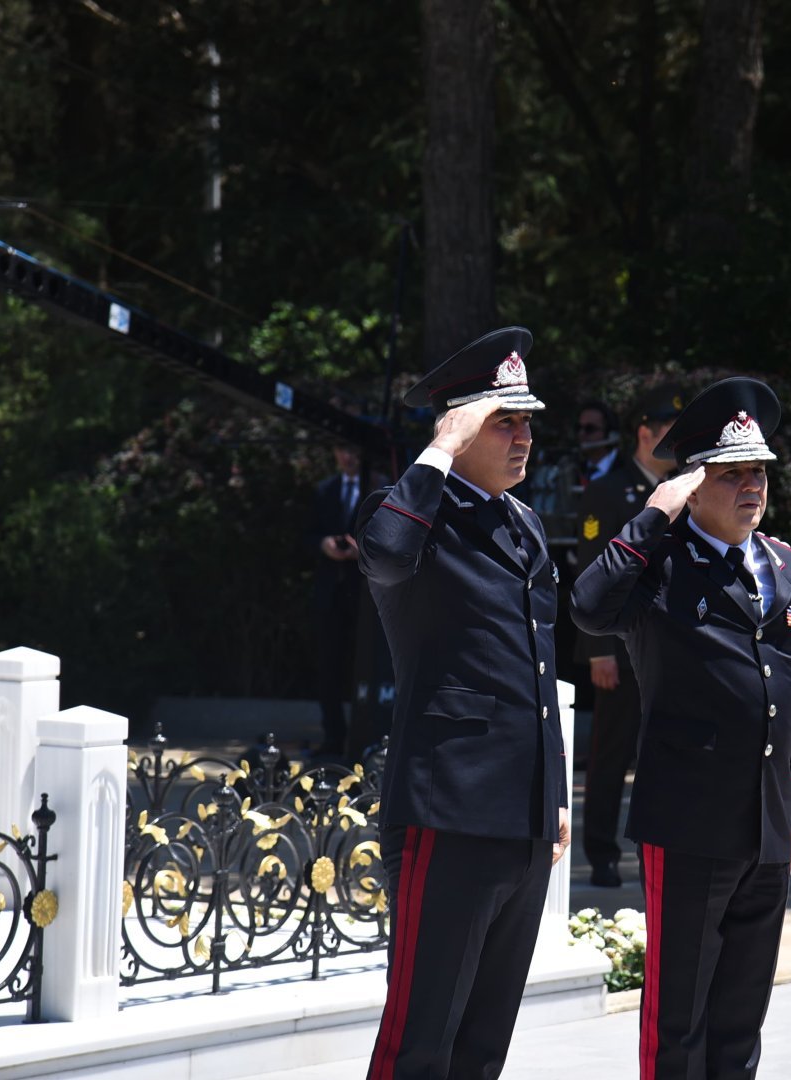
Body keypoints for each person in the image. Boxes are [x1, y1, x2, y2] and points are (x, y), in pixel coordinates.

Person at [571, 377, 791, 1080]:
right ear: (693, 485)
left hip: (766, 826)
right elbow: (588, 608)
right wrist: (651, 515)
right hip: (687, 821)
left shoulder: (790, 569)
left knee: (741, 1018)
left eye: (758, 472)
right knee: (677, 1020)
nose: (751, 487)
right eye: (731, 473)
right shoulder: (660, 567)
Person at [356, 326, 570, 1080]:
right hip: (449, 807)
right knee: (423, 1032)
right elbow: (381, 555)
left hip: (521, 817)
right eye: (503, 421)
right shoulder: (412, 508)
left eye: (526, 422)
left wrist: (555, 797)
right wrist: (439, 451)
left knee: (484, 1040)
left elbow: (538, 676)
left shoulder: (522, 524)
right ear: (459, 423)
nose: (523, 438)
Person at [572, 385, 685, 887]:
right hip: (618, 646)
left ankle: (663, 848)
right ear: (645, 434)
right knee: (611, 754)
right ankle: (601, 852)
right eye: (668, 434)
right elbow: (591, 569)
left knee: (668, 753)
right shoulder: (608, 490)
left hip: (672, 649)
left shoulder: (687, 491)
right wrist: (598, 650)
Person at [307, 441, 367, 760]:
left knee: (365, 667)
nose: (348, 456)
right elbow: (307, 534)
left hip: (364, 594)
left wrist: (364, 551)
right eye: (343, 450)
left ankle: (366, 738)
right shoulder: (325, 490)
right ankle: (333, 738)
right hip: (330, 592)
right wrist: (324, 545)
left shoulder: (380, 486)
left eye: (353, 451)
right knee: (328, 667)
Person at [575, 400, 620, 485]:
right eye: (578, 428)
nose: (581, 434)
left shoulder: (627, 469)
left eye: (589, 429)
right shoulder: (575, 471)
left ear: (609, 434)